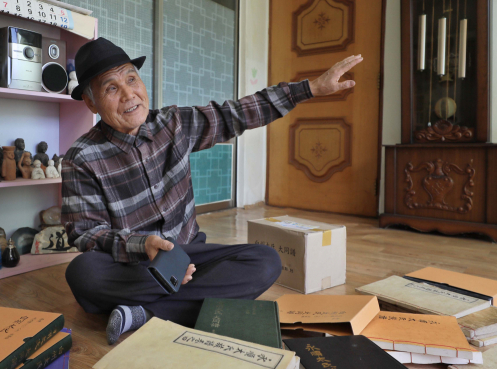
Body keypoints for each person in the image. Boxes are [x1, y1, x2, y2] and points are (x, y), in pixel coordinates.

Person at [62, 38, 362, 344]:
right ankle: (179, 302)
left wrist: (309, 89)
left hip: (191, 254)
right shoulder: (81, 158)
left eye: (131, 78)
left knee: (266, 261)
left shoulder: (174, 124)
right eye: (111, 88)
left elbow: (237, 113)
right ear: (91, 102)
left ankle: (145, 313)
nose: (129, 94)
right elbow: (85, 233)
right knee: (83, 273)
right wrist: (141, 244)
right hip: (133, 266)